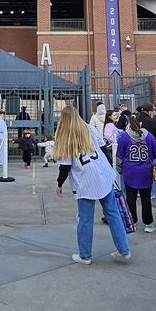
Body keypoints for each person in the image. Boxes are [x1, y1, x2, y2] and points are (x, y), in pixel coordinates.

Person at [53, 106, 130, 265]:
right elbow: (104, 150)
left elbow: (65, 166)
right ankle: (124, 249)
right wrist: (109, 170)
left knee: (85, 219)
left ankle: (85, 255)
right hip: (103, 175)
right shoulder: (89, 128)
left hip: (85, 181)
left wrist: (59, 183)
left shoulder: (65, 136)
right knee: (113, 213)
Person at [117, 114, 156, 232]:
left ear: (129, 124)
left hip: (130, 171)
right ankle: (148, 223)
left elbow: (119, 157)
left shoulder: (124, 137)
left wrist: (120, 169)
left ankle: (132, 222)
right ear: (140, 123)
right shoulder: (149, 136)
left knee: (130, 198)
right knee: (145, 198)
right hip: (146, 171)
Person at [0, 107, 9, 173]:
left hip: (1, 136)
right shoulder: (0, 119)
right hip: (1, 136)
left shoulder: (0, 119)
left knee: (0, 150)